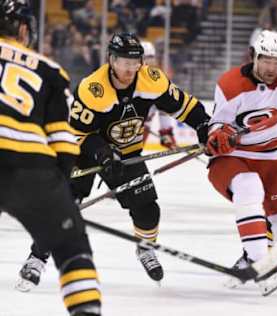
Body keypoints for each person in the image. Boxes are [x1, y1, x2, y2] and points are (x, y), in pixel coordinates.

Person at [16, 32, 210, 291]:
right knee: (64, 206)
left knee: (148, 210)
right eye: (124, 62)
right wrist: (103, 154)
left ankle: (145, 248)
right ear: (111, 60)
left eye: (135, 62)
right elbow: (77, 133)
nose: (130, 69)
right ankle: (37, 258)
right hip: (84, 152)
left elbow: (184, 106)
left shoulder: (150, 79)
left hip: (127, 152)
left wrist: (204, 125)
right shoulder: (93, 88)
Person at [0, 1, 102, 315]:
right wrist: (58, 189)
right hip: (29, 165)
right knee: (71, 247)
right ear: (23, 28)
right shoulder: (49, 70)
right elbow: (63, 139)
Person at [207, 29, 277, 297]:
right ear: (253, 56)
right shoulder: (230, 84)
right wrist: (219, 136)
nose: (272, 68)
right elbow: (216, 127)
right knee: (249, 186)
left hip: (272, 161)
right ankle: (261, 265)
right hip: (233, 159)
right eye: (266, 60)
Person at [141, 40, 178, 149]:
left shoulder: (159, 82)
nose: (150, 61)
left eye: (152, 57)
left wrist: (166, 133)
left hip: (142, 129)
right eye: (147, 57)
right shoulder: (127, 79)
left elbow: (163, 110)